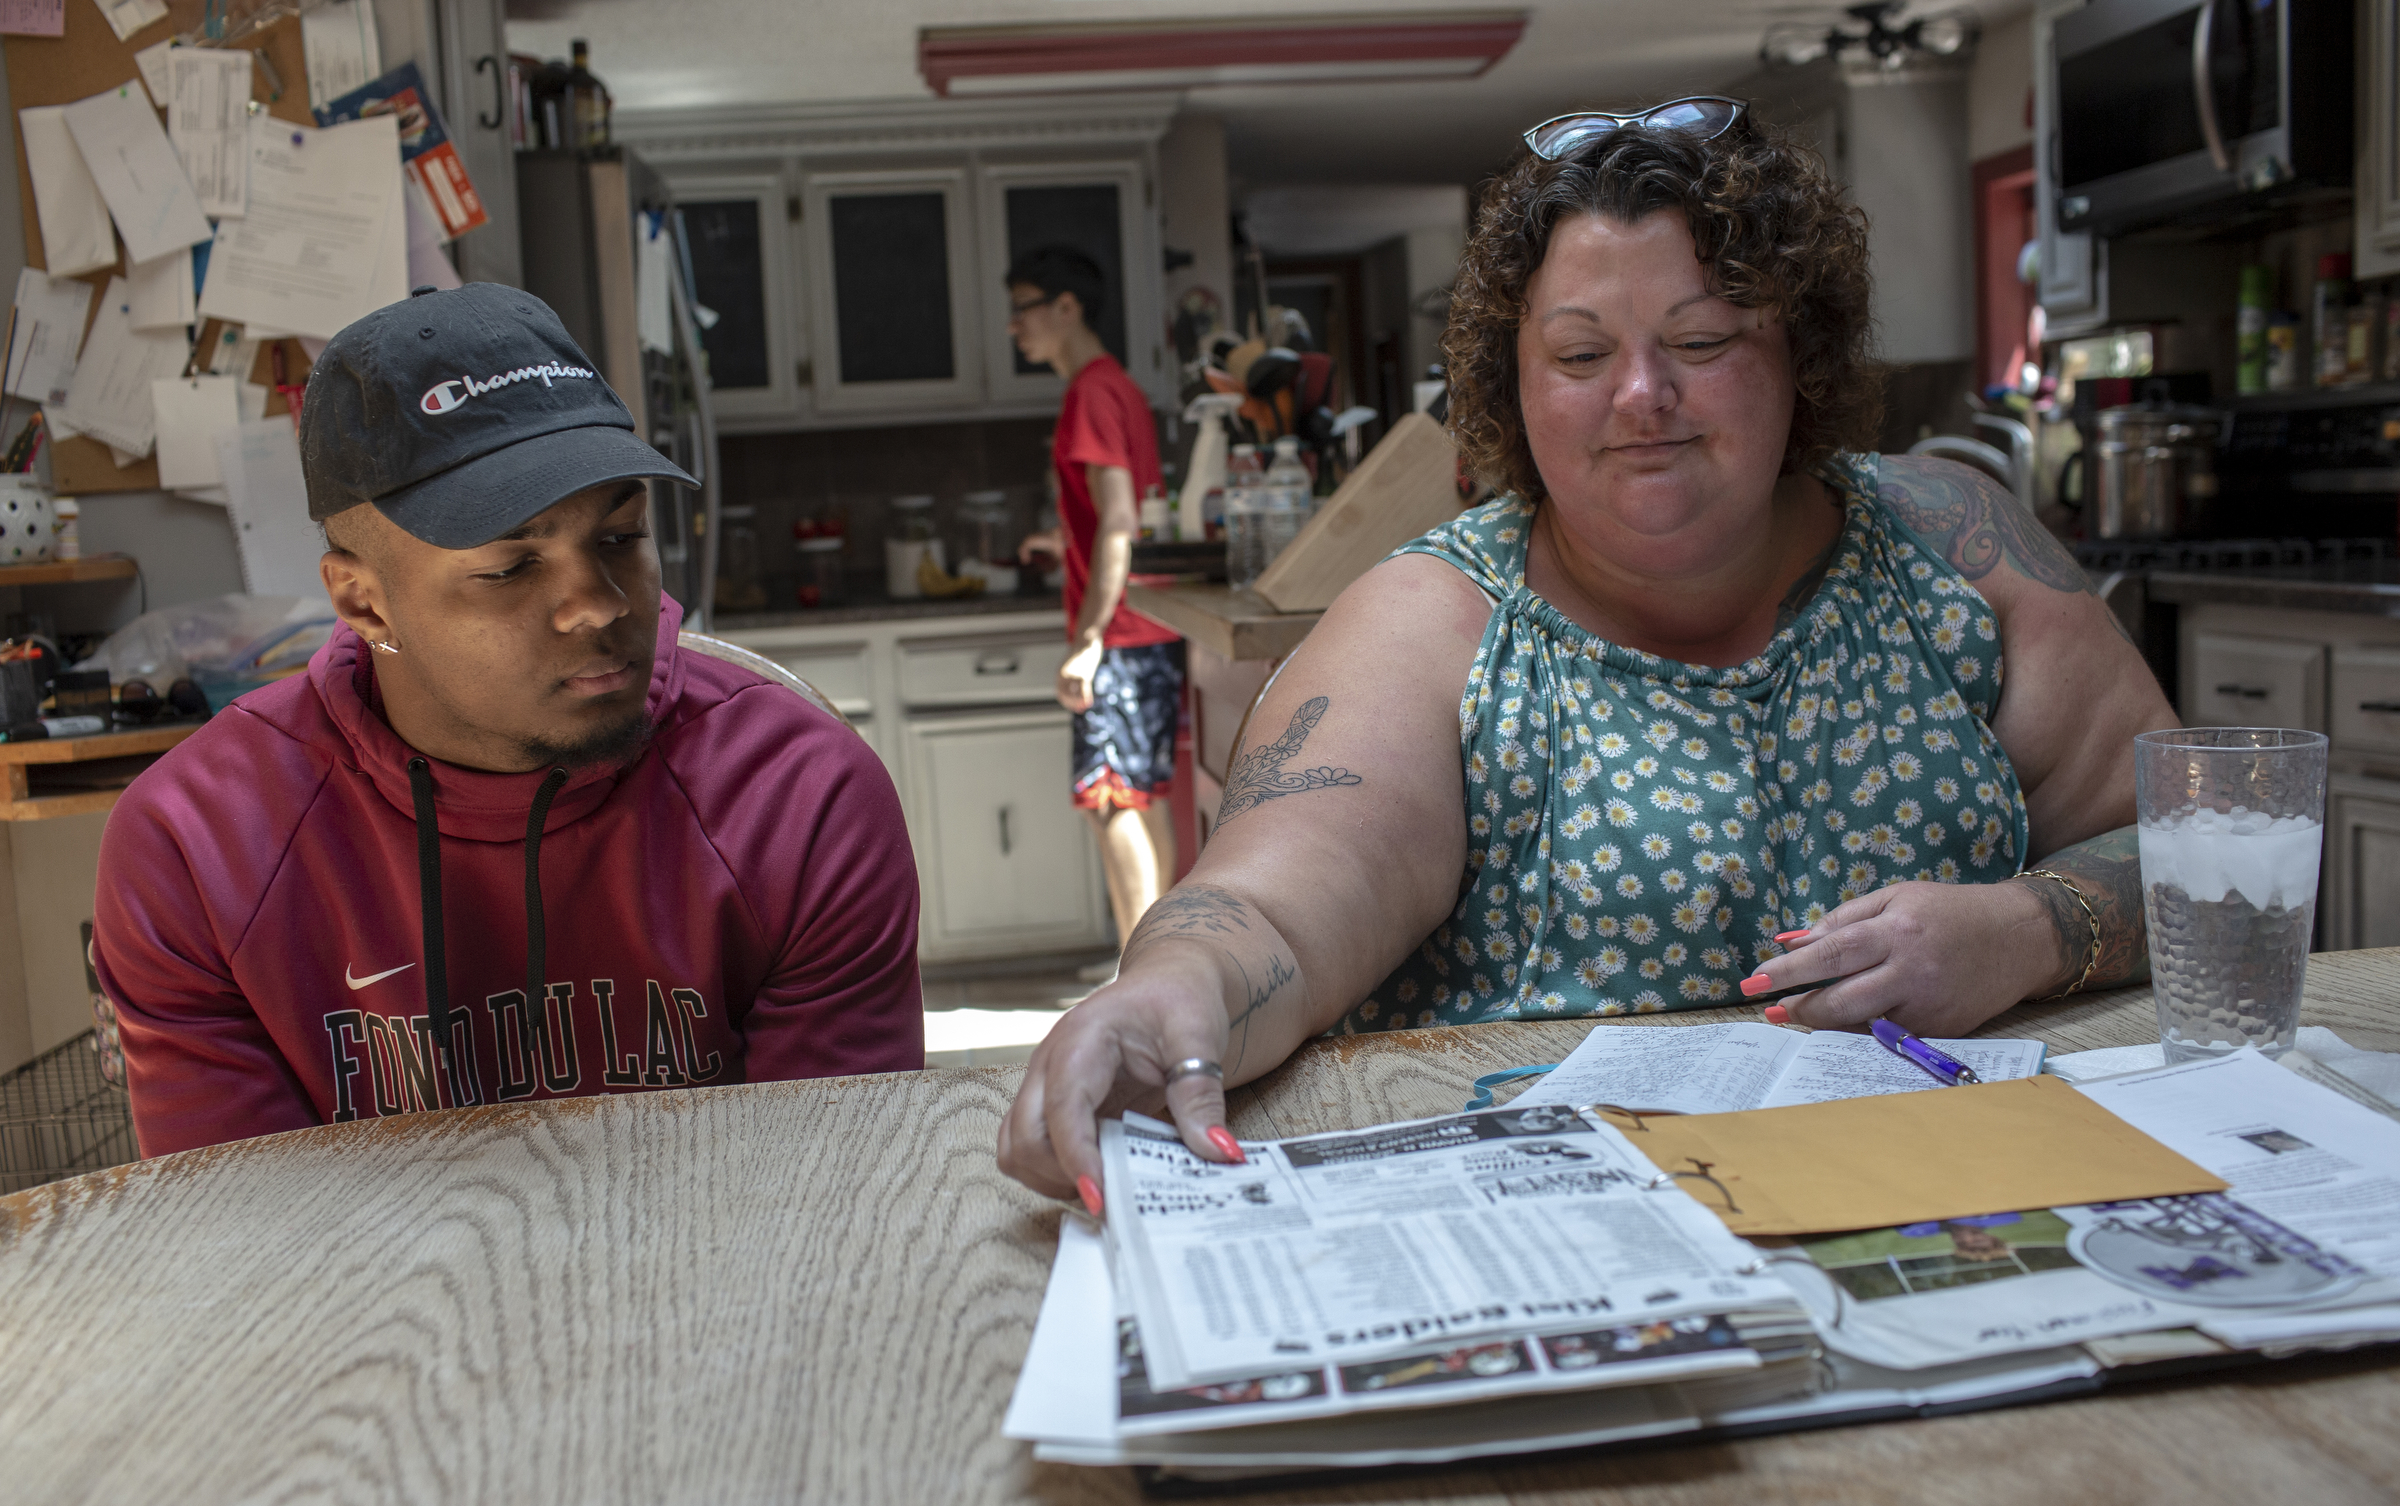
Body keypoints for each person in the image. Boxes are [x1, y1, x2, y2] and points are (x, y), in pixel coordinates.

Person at [999, 99, 2173, 1209]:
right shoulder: (1430, 623)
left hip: (1965, 1191)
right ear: (1511, 386)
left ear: (1799, 351)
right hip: (1569, 1235)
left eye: (1701, 339)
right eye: (1577, 355)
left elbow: (2201, 847)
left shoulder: (1953, 551)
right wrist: (1170, 993)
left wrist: (2029, 928)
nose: (1642, 395)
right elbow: (1274, 907)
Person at [95, 283, 923, 1158]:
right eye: (511, 567)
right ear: (365, 603)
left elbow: (832, 1189)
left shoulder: (794, 796)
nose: (596, 608)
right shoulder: (196, 846)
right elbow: (248, 1242)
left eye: (619, 537)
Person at [1005, 245, 1183, 959]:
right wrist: (1065, 542)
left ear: (1067, 308)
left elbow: (1119, 520)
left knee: (1112, 802)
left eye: (1023, 308)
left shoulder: (1089, 393)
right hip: (1147, 625)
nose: (1014, 327)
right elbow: (1115, 517)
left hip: (1121, 633)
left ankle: (1143, 977)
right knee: (1140, 797)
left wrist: (1088, 639)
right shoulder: (1118, 388)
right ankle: (1164, 967)